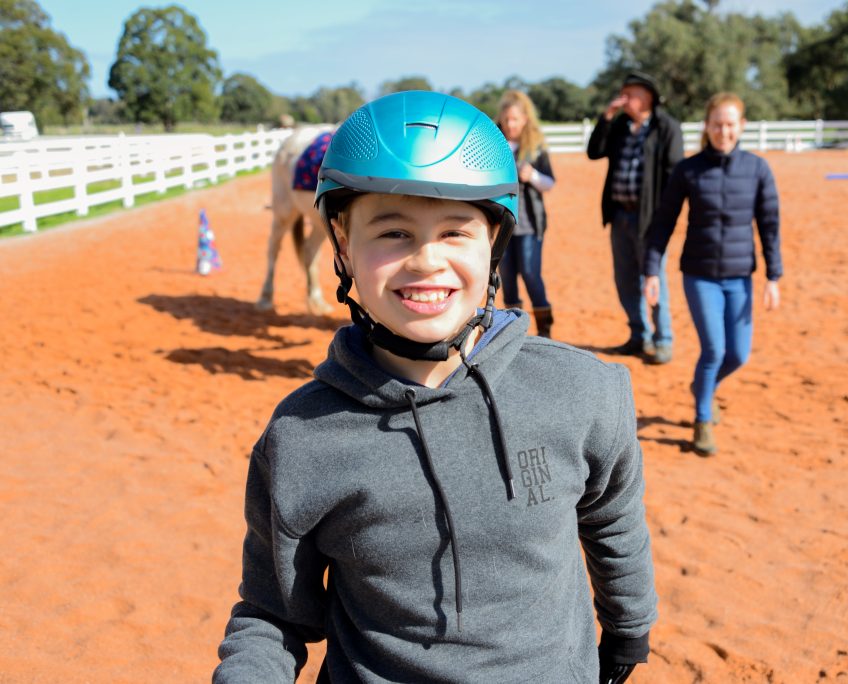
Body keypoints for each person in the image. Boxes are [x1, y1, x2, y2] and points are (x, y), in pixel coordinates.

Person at [214, 91, 656, 684]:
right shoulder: (299, 440)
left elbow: (611, 517)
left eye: (455, 232)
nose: (426, 260)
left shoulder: (582, 392)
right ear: (342, 245)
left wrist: (629, 627)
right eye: (393, 232)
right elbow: (273, 613)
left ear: (495, 242)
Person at [643, 92, 782, 456]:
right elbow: (664, 222)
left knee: (738, 354)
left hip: (740, 277)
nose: (724, 131)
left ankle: (703, 387)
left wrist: (773, 276)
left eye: (730, 124)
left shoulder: (757, 169)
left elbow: (769, 225)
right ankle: (702, 419)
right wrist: (651, 271)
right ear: (707, 125)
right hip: (700, 275)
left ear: (742, 126)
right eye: (717, 124)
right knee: (714, 349)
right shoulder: (688, 170)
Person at [586, 71, 683, 364]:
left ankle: (663, 339)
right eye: (623, 92)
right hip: (620, 216)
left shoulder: (666, 127)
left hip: (650, 220)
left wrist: (664, 217)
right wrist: (606, 116)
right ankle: (638, 336)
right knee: (625, 280)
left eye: (632, 93)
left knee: (653, 280)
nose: (625, 97)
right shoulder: (619, 126)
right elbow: (594, 151)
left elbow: (674, 173)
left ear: (648, 97)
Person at [495, 89, 557, 338]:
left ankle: (545, 330)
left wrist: (532, 175)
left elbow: (550, 183)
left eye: (515, 119)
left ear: (525, 120)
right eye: (507, 119)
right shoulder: (495, 146)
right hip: (502, 227)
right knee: (507, 279)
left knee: (531, 274)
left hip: (530, 225)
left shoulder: (536, 148)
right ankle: (513, 333)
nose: (510, 124)